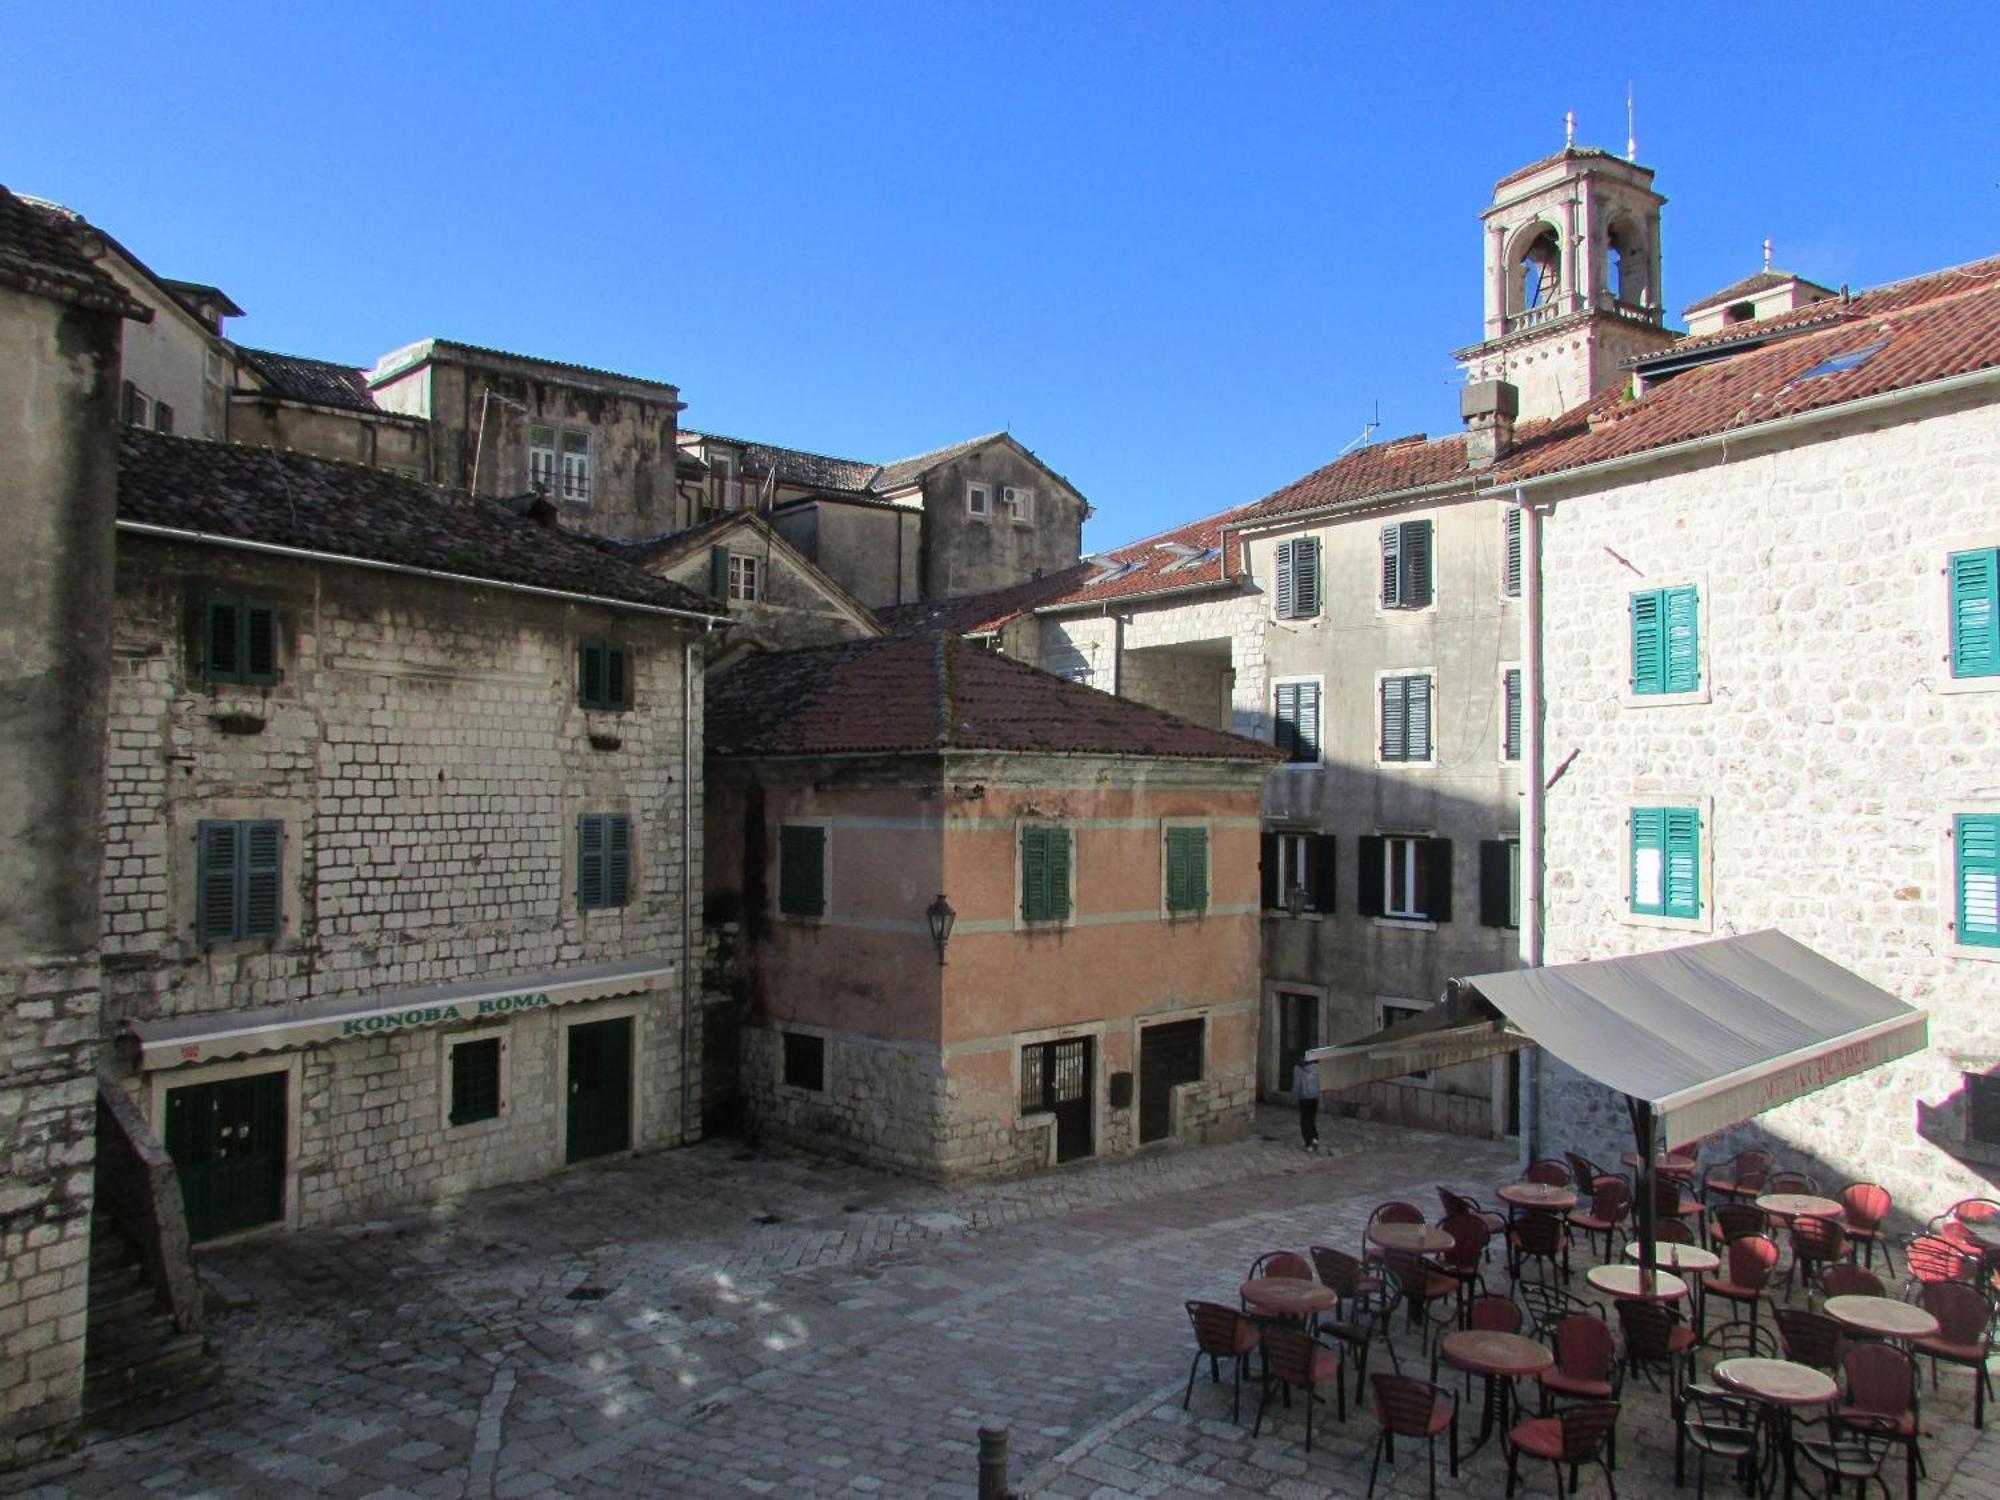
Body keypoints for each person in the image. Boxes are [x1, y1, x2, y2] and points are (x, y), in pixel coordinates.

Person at [1291, 1057, 1320, 1153]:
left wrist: (1294, 1095)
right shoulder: (1316, 1067)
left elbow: (1296, 1084)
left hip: (1303, 1097)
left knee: (1304, 1119)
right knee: (1312, 1118)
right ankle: (1315, 1138)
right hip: (1314, 1096)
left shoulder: (1298, 1068)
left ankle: (1308, 1143)